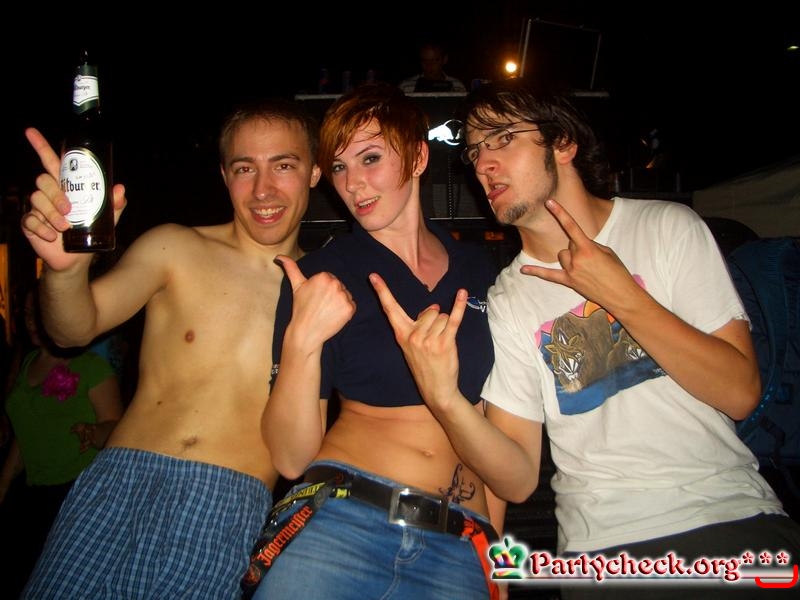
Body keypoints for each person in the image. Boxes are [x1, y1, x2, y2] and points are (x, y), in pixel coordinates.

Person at [369, 77, 800, 598]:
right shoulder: (509, 295)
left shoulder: (666, 227)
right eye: (475, 150)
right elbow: (517, 479)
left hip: (731, 521)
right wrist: (443, 398)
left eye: (503, 138)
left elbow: (739, 392)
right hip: (601, 550)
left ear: (563, 143)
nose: (483, 164)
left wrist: (623, 296)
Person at [17, 97, 322, 599]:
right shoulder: (174, 247)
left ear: (313, 172)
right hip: (118, 482)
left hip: (229, 503)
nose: (263, 189)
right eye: (245, 168)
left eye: (284, 166)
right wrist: (64, 272)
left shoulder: (323, 294)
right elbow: (73, 329)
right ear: (224, 176)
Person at [246, 82, 501, 600]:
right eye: (339, 167)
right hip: (342, 525)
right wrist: (301, 340)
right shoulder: (322, 274)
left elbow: (501, 428)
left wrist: (497, 559)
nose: (352, 183)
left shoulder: (483, 269)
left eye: (370, 159)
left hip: (458, 544)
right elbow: (291, 458)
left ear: (419, 158)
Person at [0, 287, 122, 598]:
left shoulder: (91, 367)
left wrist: (92, 432)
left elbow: (117, 431)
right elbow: (25, 434)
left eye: (39, 314)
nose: (31, 322)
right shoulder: (28, 362)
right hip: (30, 491)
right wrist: (3, 483)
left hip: (73, 493)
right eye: (27, 314)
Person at [399, 40, 467, 94]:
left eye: (434, 61)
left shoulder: (457, 86)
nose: (429, 65)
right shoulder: (405, 86)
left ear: (444, 60)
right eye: (425, 61)